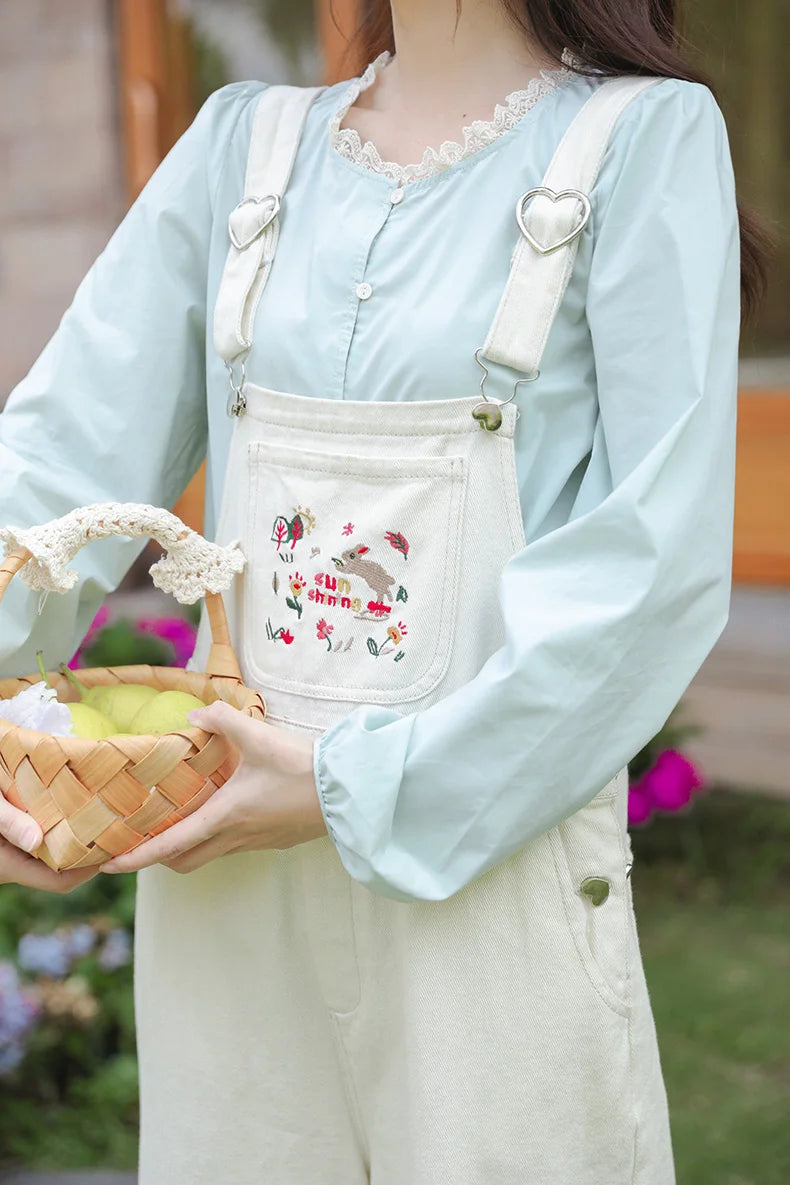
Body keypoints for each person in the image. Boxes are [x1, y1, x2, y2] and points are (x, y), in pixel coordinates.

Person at [0, 1, 768, 1182]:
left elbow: (652, 570)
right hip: (224, 875)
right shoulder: (240, 151)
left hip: (486, 871)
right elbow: (53, 473)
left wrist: (352, 791)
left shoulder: (640, 142)